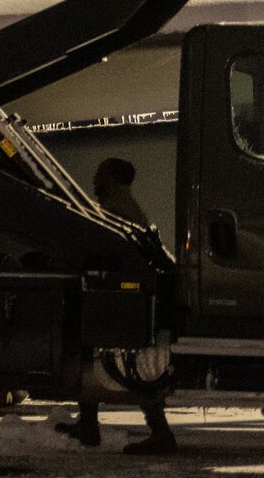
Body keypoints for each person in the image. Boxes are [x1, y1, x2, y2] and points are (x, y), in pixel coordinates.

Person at [55, 157, 176, 455]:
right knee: (94, 359)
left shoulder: (115, 210)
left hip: (120, 297)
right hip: (120, 296)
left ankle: (160, 433)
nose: (94, 181)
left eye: (99, 174)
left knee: (131, 370)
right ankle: (88, 424)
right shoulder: (125, 205)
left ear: (112, 177)